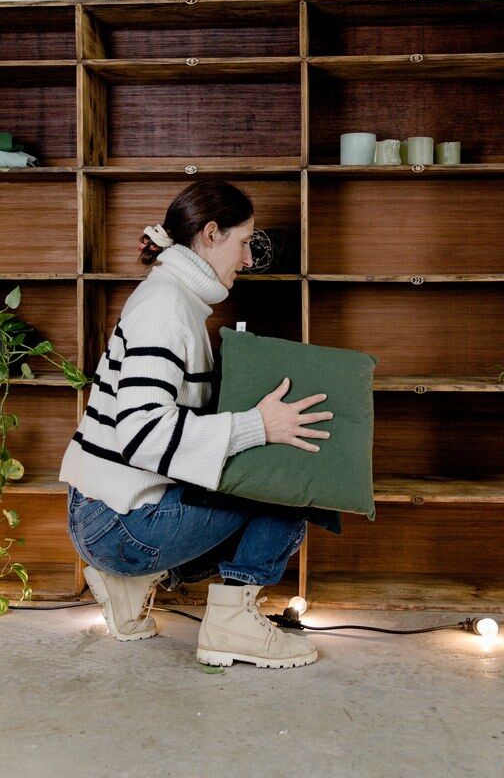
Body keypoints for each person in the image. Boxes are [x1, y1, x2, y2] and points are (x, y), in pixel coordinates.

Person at [59, 179, 335, 669]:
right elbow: (143, 435)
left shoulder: (174, 298)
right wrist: (257, 426)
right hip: (118, 523)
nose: (249, 259)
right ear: (210, 234)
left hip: (107, 512)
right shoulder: (165, 309)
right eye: (245, 241)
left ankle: (127, 586)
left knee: (260, 465)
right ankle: (230, 625)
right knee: (294, 481)